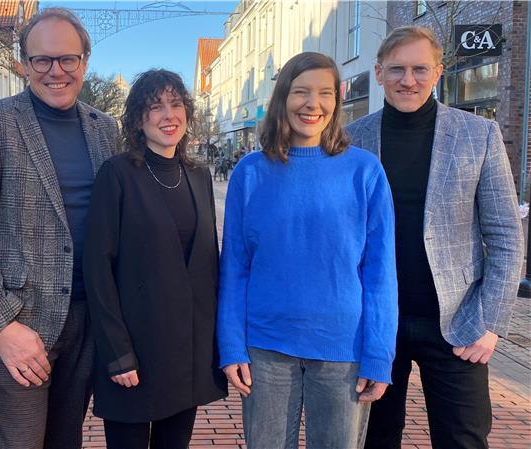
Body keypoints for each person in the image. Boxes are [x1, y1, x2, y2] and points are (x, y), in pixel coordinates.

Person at [0, 8, 119, 449]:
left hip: (89, 320)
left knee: (67, 441)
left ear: (85, 61)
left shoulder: (106, 129)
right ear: (23, 64)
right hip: (21, 324)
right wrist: (2, 325)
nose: (55, 71)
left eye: (68, 59)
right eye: (41, 60)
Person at [346, 26, 524, 449]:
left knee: (462, 439)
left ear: (438, 71)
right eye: (397, 70)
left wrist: (491, 323)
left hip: (458, 323)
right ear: (378, 73)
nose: (408, 80)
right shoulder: (351, 140)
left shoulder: (478, 134)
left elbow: (505, 234)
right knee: (373, 438)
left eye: (419, 69)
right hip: (374, 324)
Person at [217, 52, 398, 449]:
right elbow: (234, 266)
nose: (312, 104)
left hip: (342, 349)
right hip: (265, 348)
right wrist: (230, 345)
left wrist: (379, 354)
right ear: (283, 97)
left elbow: (380, 272)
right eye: (301, 91)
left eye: (324, 93)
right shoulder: (250, 172)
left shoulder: (364, 171)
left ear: (337, 100)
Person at [83, 69, 227, 449]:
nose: (168, 115)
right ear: (138, 119)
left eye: (176, 104)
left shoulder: (197, 175)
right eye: (155, 107)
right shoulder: (117, 175)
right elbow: (98, 269)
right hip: (135, 354)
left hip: (187, 354)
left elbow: (206, 265)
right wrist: (117, 353)